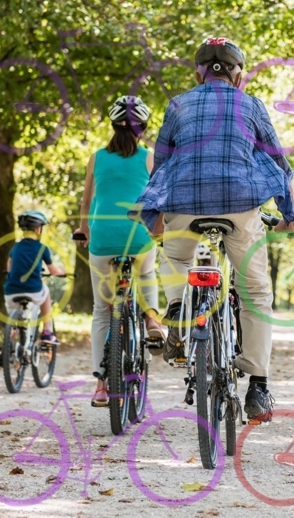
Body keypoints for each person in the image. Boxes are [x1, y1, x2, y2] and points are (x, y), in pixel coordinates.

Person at [135, 37, 294, 423]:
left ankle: (178, 309)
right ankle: (258, 386)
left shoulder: (178, 104)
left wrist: (155, 210)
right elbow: (280, 165)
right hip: (241, 207)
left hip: (184, 205)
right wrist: (289, 216)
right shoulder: (252, 105)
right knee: (256, 290)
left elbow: (161, 164)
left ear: (198, 72)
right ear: (238, 75)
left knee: (176, 257)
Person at [74, 96, 166, 408]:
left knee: (102, 310)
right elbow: (157, 201)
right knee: (148, 270)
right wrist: (159, 232)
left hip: (102, 238)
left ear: (113, 125)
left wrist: (84, 231)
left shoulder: (96, 157)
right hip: (137, 235)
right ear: (142, 129)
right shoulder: (149, 157)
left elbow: (87, 202)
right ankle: (152, 321)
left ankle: (101, 384)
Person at [0, 210, 65, 366]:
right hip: (33, 290)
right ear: (38, 229)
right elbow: (53, 271)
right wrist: (62, 272)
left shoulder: (15, 247)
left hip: (11, 291)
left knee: (15, 320)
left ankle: (5, 348)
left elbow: (9, 267)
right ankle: (47, 331)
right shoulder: (42, 248)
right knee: (45, 291)